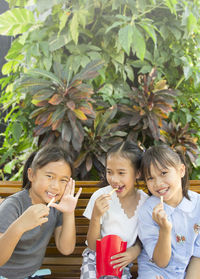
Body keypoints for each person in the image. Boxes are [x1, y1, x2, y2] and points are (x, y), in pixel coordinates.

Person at [0, 145, 82, 279]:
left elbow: (66, 249)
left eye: (63, 180)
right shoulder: (14, 205)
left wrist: (68, 212)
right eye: (49, 176)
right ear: (31, 174)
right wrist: (20, 226)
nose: (56, 186)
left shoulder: (56, 207)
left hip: (32, 275)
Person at [80, 141, 148, 279]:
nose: (114, 179)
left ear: (137, 173)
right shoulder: (99, 197)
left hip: (121, 261)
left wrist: (135, 250)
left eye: (121, 173)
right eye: (109, 172)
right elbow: (93, 246)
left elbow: (146, 237)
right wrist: (96, 216)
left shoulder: (145, 201)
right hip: (95, 258)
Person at [137, 145, 200, 279]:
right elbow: (160, 262)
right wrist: (165, 230)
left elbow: (197, 257)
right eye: (150, 178)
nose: (158, 183)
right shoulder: (148, 211)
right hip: (155, 272)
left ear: (181, 170)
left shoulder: (197, 205)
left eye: (163, 173)